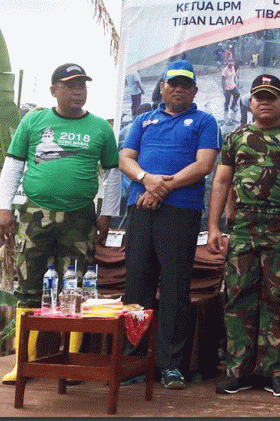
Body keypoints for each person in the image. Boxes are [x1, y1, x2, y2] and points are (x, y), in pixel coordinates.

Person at [0, 63, 121, 384]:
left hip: (80, 217)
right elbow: (13, 165)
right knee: (28, 288)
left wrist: (107, 214)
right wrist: (2, 208)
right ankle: (23, 364)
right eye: (70, 85)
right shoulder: (33, 121)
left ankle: (72, 363)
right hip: (34, 216)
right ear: (54, 90)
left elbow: (112, 175)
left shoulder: (100, 128)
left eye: (82, 86)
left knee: (76, 288)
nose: (78, 91)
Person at [119, 60, 221, 390]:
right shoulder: (143, 120)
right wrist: (146, 179)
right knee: (137, 286)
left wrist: (161, 188)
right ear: (162, 87)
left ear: (194, 90)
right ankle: (134, 360)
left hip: (180, 211)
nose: (178, 89)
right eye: (172, 83)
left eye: (184, 84)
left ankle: (171, 365)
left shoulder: (205, 121)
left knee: (176, 287)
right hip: (141, 209)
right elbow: (125, 158)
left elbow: (204, 165)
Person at [208, 74, 280, 397]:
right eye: (259, 97)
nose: (265, 102)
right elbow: (221, 182)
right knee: (238, 298)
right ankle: (238, 371)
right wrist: (214, 226)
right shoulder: (236, 137)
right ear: (250, 102)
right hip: (243, 228)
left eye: (271, 97)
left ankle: (275, 372)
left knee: (278, 300)